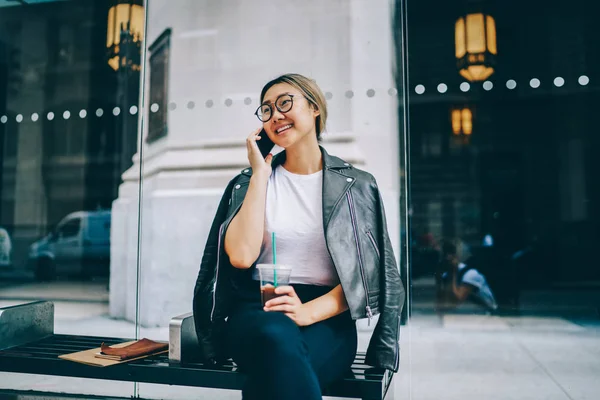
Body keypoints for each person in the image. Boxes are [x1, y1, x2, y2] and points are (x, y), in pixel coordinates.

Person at [192, 73, 405, 400]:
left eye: (285, 103)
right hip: (257, 309)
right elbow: (241, 256)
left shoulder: (358, 185)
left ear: (315, 107)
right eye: (266, 110)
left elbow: (369, 275)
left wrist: (308, 312)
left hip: (328, 316)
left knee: (274, 372)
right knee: (277, 340)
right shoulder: (248, 182)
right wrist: (260, 173)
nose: (275, 115)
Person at [435, 238, 498, 313]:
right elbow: (440, 306)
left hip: (488, 315)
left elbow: (456, 301)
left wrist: (453, 273)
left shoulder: (471, 274)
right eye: (445, 253)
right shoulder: (446, 275)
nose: (447, 257)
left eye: (451, 253)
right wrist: (439, 280)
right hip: (471, 314)